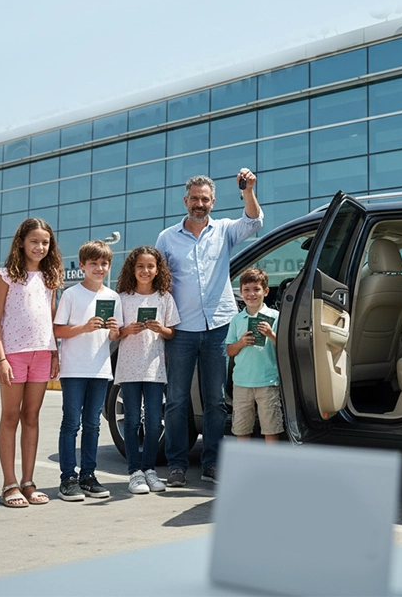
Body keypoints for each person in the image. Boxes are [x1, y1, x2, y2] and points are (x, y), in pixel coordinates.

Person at [156, 170, 262, 487]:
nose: (200, 204)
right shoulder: (167, 237)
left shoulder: (225, 230)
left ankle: (211, 463)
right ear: (185, 200)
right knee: (176, 400)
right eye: (195, 198)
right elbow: (160, 283)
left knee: (215, 401)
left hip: (218, 326)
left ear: (212, 202)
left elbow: (254, 221)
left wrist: (248, 191)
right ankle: (176, 465)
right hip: (181, 330)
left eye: (205, 199)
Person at [0, 218, 64, 508]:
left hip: (42, 354)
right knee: (10, 416)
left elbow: (51, 317)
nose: (40, 247)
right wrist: (0, 359)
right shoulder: (6, 275)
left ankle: (28, 481)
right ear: (21, 242)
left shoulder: (50, 276)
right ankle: (9, 483)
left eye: (45, 242)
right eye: (34, 241)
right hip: (14, 355)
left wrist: (55, 352)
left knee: (31, 417)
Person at [53, 240, 123, 501]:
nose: (100, 267)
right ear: (82, 265)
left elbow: (115, 336)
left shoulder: (113, 297)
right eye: (94, 263)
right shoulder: (72, 294)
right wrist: (83, 327)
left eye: (104, 263)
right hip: (73, 369)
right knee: (71, 423)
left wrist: (115, 329)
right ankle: (67, 478)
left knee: (93, 424)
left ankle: (88, 475)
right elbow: (58, 330)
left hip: (100, 369)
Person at [112, 246, 179, 494]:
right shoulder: (122, 298)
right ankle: (134, 472)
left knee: (154, 421)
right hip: (129, 367)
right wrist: (126, 331)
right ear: (132, 268)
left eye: (150, 266)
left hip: (154, 368)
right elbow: (114, 333)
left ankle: (149, 469)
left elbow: (172, 332)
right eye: (140, 266)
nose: (145, 270)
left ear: (157, 269)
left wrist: (160, 329)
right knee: (131, 421)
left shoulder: (164, 298)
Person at [225, 268, 283, 443]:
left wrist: (271, 335)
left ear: (265, 291)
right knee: (242, 428)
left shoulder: (275, 316)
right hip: (242, 382)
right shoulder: (236, 320)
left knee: (271, 428)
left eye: (256, 289)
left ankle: (271, 467)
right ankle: (246, 467)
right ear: (241, 292)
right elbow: (230, 351)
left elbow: (284, 348)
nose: (251, 294)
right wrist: (241, 343)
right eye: (246, 290)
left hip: (268, 381)